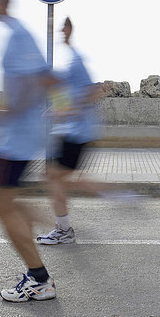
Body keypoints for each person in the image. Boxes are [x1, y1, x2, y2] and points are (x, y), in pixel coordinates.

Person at [0, 0, 58, 302]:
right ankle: (37, 271)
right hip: (15, 138)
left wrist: (4, 112)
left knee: (1, 207)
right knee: (5, 204)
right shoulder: (18, 33)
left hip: (16, 139)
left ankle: (40, 279)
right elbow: (47, 78)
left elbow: (43, 80)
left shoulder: (18, 36)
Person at [36, 17, 104, 245]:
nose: (58, 32)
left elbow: (93, 92)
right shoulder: (68, 63)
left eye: (63, 27)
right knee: (55, 177)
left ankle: (64, 229)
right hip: (71, 132)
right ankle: (64, 226)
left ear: (69, 29)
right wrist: (56, 111)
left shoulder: (75, 61)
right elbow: (69, 96)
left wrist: (66, 112)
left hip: (78, 133)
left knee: (54, 177)